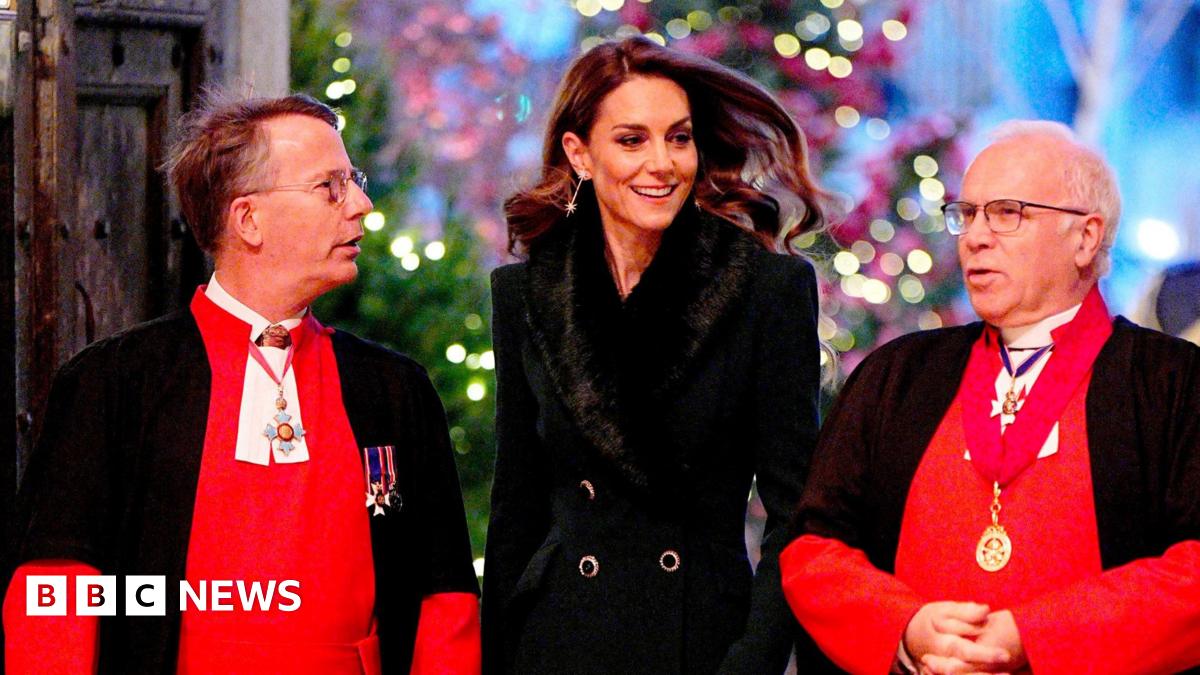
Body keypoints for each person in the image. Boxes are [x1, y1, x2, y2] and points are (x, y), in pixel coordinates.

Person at [3, 93, 481, 674]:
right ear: (248, 219)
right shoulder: (111, 384)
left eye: (350, 180)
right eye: (329, 186)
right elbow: (56, 592)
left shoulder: (395, 390)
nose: (360, 204)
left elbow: (445, 597)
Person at [780, 120, 1200, 674]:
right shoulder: (897, 374)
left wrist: (1034, 637)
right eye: (968, 213)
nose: (975, 236)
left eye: (1007, 213)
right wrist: (905, 628)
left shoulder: (1173, 382)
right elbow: (812, 547)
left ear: (1086, 236)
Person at [482, 36, 826, 674]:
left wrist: (751, 662)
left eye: (679, 137)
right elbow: (518, 506)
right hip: (558, 640)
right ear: (579, 154)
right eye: (632, 140)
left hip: (700, 643)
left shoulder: (766, 289)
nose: (663, 163)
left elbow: (796, 515)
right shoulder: (525, 293)